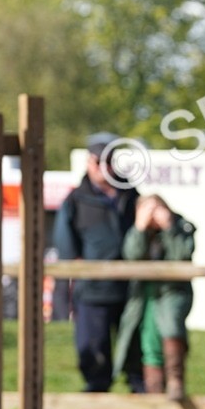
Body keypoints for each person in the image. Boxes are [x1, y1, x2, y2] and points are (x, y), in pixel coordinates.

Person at [52, 132, 142, 392]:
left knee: (134, 341)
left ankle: (138, 384)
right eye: (101, 161)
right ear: (90, 163)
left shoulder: (131, 195)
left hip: (129, 287)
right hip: (92, 286)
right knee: (93, 344)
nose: (107, 168)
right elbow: (65, 245)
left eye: (111, 161)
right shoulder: (76, 200)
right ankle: (97, 386)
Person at [114, 195, 196, 401]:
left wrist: (169, 228)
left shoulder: (182, 227)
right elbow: (132, 255)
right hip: (145, 295)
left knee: (171, 328)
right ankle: (155, 392)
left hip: (172, 292)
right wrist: (140, 227)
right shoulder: (138, 231)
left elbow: (182, 255)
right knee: (149, 343)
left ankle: (175, 382)